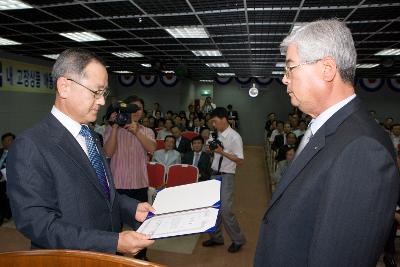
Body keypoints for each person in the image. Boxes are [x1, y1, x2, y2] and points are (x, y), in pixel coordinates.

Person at [254, 19, 399, 267]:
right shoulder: (327, 128)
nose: (284, 79)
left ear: (327, 69)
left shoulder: (363, 149)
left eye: (290, 68)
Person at [7, 48, 154, 254]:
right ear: (64, 87)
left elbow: (102, 194)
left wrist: (132, 208)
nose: (102, 101)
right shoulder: (31, 146)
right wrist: (111, 242)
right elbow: (37, 224)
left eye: (104, 93)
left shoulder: (91, 136)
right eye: (96, 92)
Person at [202, 107, 246, 253]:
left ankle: (238, 240)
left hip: (227, 175)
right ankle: (216, 237)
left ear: (223, 119)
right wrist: (209, 149)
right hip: (214, 174)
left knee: (226, 210)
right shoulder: (215, 135)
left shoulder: (234, 137)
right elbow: (208, 148)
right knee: (213, 207)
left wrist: (223, 152)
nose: (213, 125)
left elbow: (240, 161)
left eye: (215, 122)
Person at [0, 132, 15, 225]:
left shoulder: (18, 152)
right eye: (5, 141)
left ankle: (5, 216)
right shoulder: (0, 152)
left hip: (10, 180)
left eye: (9, 140)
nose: (7, 142)